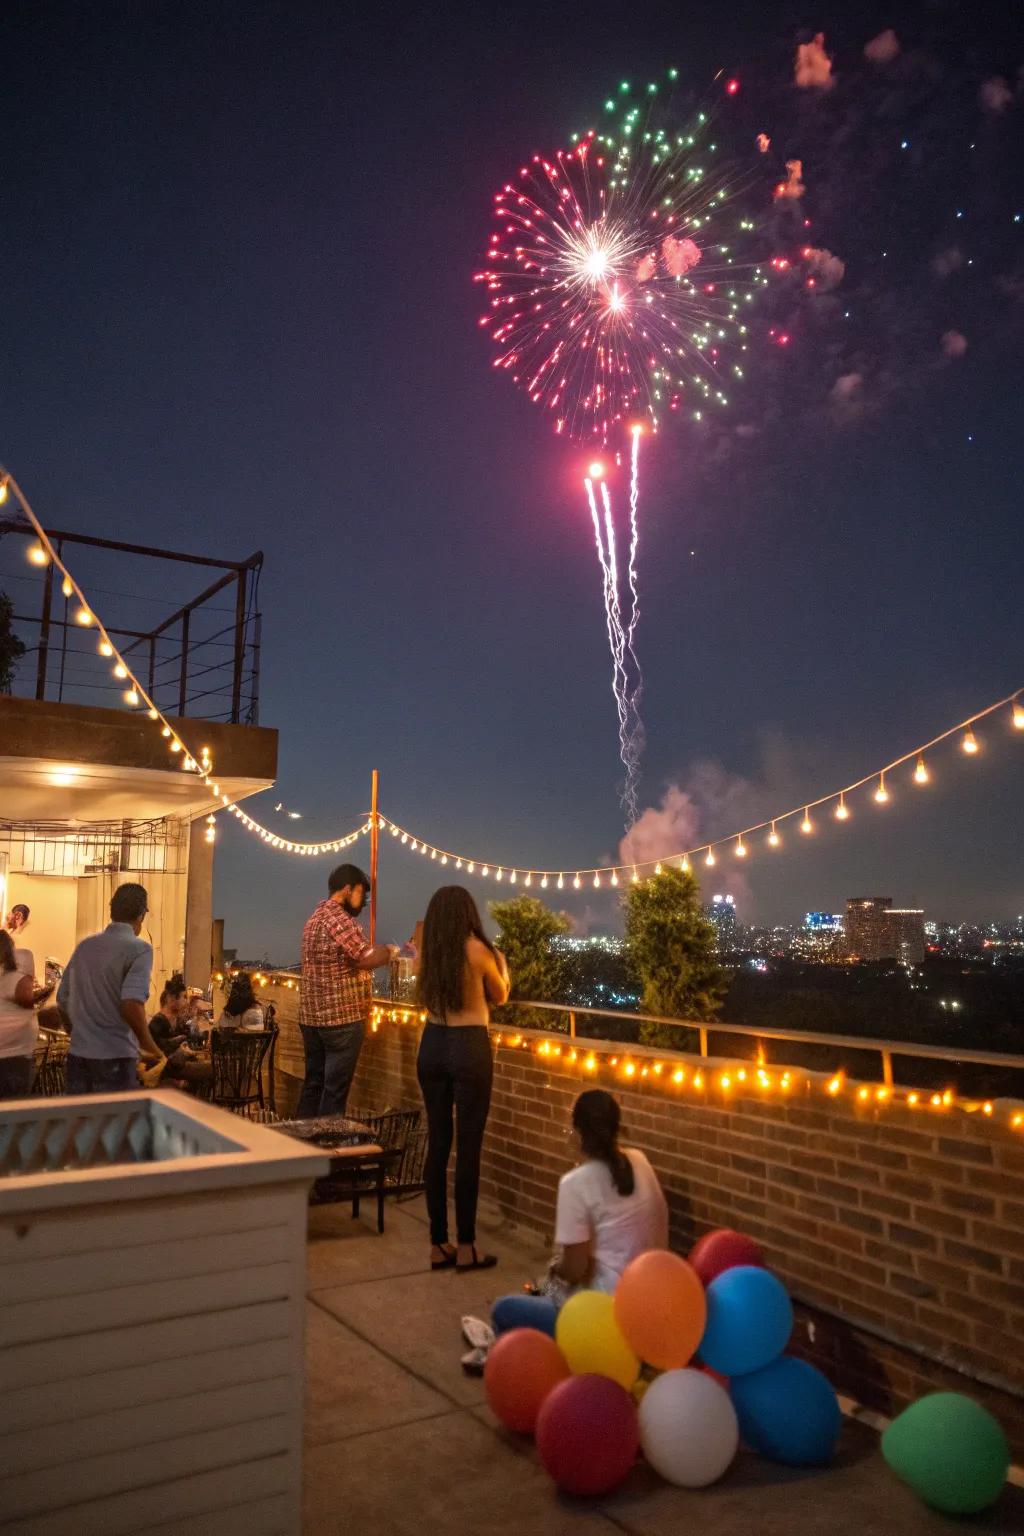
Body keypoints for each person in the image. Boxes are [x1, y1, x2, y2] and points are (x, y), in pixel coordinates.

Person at [461, 1090, 669, 1370]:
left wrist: (557, 1268)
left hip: (602, 1317)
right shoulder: (640, 1161)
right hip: (651, 1306)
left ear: (578, 1133)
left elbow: (575, 1270)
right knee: (543, 1288)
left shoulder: (576, 1183)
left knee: (504, 1308)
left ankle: (506, 1353)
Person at [416, 885, 510, 1274]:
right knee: (468, 1148)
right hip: (469, 1045)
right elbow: (500, 995)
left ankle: (439, 1244)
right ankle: (468, 1246)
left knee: (438, 1145)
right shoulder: (478, 950)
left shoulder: (430, 956)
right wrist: (501, 963)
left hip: (432, 1043)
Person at [298, 864, 398, 1119]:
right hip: (340, 1020)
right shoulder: (338, 920)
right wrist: (391, 951)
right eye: (361, 893)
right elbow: (364, 957)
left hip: (311, 1020)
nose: (364, 901)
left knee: (313, 1085)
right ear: (347, 889)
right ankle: (326, 1150)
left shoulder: (313, 919)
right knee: (334, 1092)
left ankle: (300, 1145)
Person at [44, 882, 161, 1094]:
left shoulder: (85, 946)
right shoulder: (140, 950)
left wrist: (77, 1034)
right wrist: (150, 1046)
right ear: (141, 915)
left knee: (81, 1123)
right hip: (116, 1058)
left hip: (79, 1057)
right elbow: (131, 1003)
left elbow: (63, 998)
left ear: (112, 911)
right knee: (114, 1125)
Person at [0, 929, 40, 1098]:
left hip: (13, 1053)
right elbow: (25, 998)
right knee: (13, 1107)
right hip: (14, 1056)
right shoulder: (18, 977)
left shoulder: (11, 976)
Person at [4, 903, 34, 978]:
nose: (7, 916)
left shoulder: (12, 937)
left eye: (10, 914)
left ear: (18, 916)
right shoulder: (13, 936)